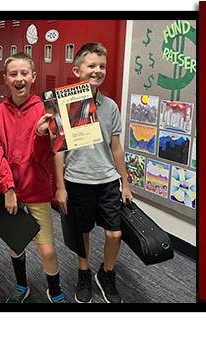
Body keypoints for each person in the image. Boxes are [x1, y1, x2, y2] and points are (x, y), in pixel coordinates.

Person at [0, 53, 66, 303]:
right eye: (13, 74)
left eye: (24, 73)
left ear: (33, 76)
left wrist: (42, 134)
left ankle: (54, 290)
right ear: (5, 79)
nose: (19, 78)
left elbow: (44, 157)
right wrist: (8, 188)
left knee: (48, 249)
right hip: (9, 191)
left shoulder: (45, 109)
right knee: (16, 243)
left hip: (37, 189)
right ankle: (21, 286)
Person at [54, 42, 131, 304]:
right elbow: (58, 149)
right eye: (91, 66)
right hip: (78, 179)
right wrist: (61, 186)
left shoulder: (110, 107)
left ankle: (106, 274)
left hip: (107, 180)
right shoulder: (66, 105)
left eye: (102, 66)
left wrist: (126, 184)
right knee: (82, 232)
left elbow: (116, 147)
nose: (97, 70)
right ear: (77, 71)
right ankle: (84, 272)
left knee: (115, 234)